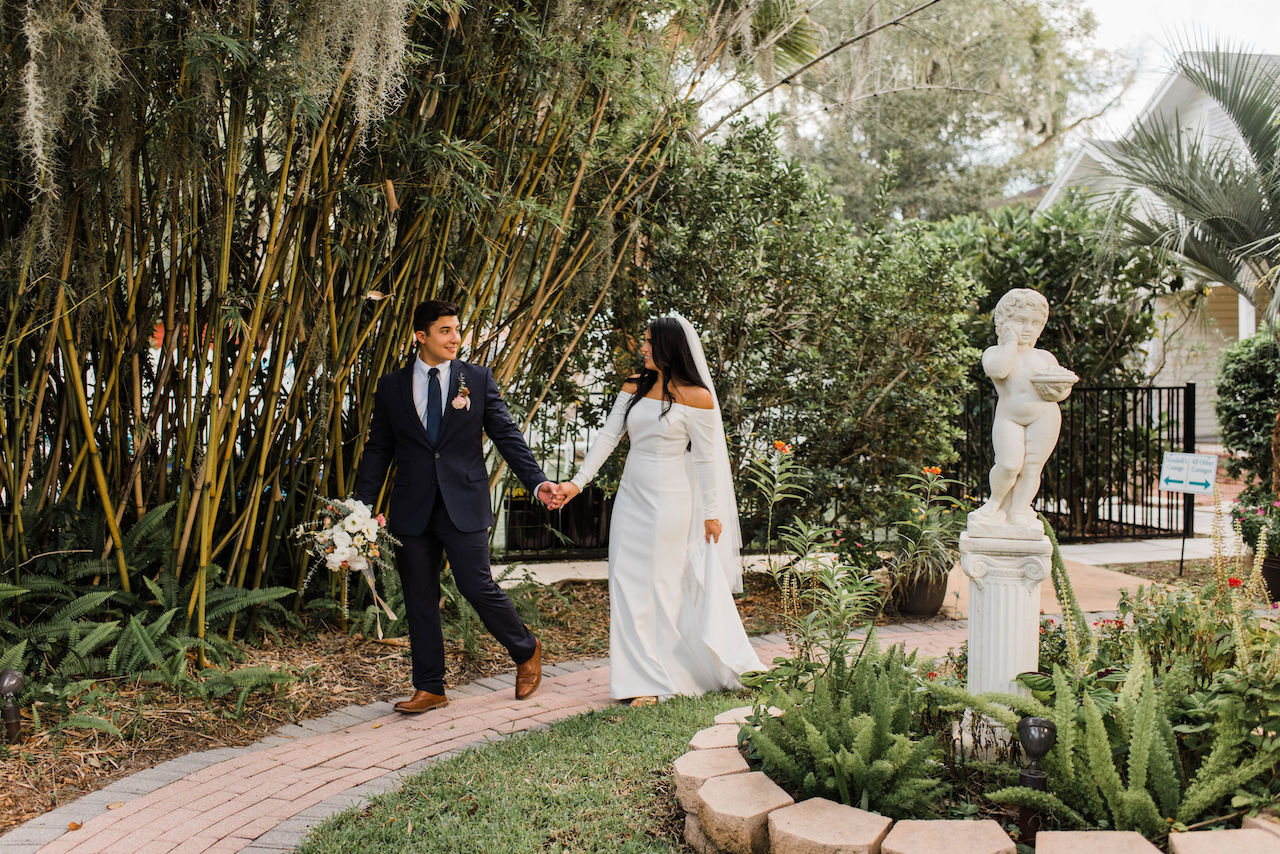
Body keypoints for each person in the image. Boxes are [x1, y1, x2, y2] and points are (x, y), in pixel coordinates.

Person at [355, 299, 564, 714]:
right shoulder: (392, 386)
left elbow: (506, 436)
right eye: (445, 331)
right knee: (419, 596)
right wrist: (359, 511)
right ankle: (430, 687)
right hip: (412, 506)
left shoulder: (477, 379)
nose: (455, 338)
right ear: (421, 336)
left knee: (475, 584)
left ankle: (525, 649)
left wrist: (537, 482)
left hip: (463, 501)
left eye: (457, 330)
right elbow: (378, 450)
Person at [557, 315, 764, 705]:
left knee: (658, 586)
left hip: (671, 500)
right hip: (632, 496)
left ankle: (657, 679)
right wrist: (576, 482)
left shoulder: (698, 397)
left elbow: (706, 461)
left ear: (671, 348)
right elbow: (607, 437)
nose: (643, 347)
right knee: (623, 581)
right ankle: (638, 677)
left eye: (650, 342)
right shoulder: (635, 386)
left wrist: (711, 512)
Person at [970, 288, 1077, 530]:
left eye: (1035, 323)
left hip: (1044, 417)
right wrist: (1010, 342)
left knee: (1031, 468)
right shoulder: (995, 353)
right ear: (1004, 322)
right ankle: (994, 503)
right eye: (1020, 321)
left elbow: (1060, 388)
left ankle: (1019, 510)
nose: (1028, 328)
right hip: (1010, 417)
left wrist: (1060, 390)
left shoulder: (1045, 357)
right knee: (1008, 465)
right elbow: (999, 371)